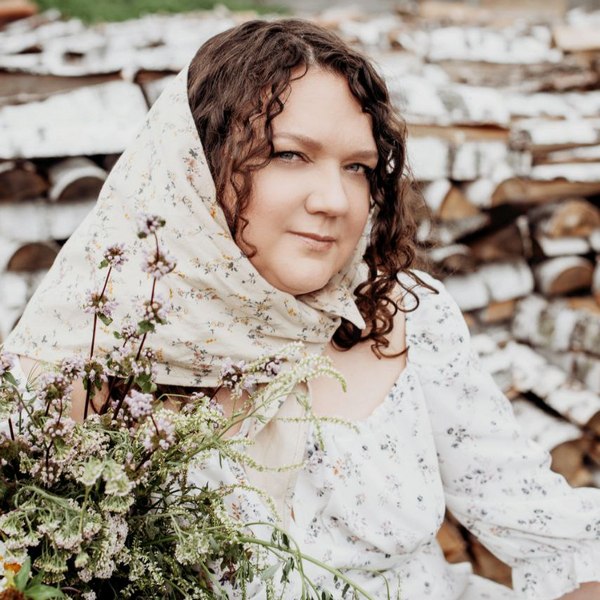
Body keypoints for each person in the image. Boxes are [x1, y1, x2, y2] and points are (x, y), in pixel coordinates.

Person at [4, 18, 600, 600]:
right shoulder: (88, 362)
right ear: (194, 164)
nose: (335, 200)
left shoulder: (402, 316)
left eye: (358, 167)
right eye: (289, 154)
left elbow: (547, 531)